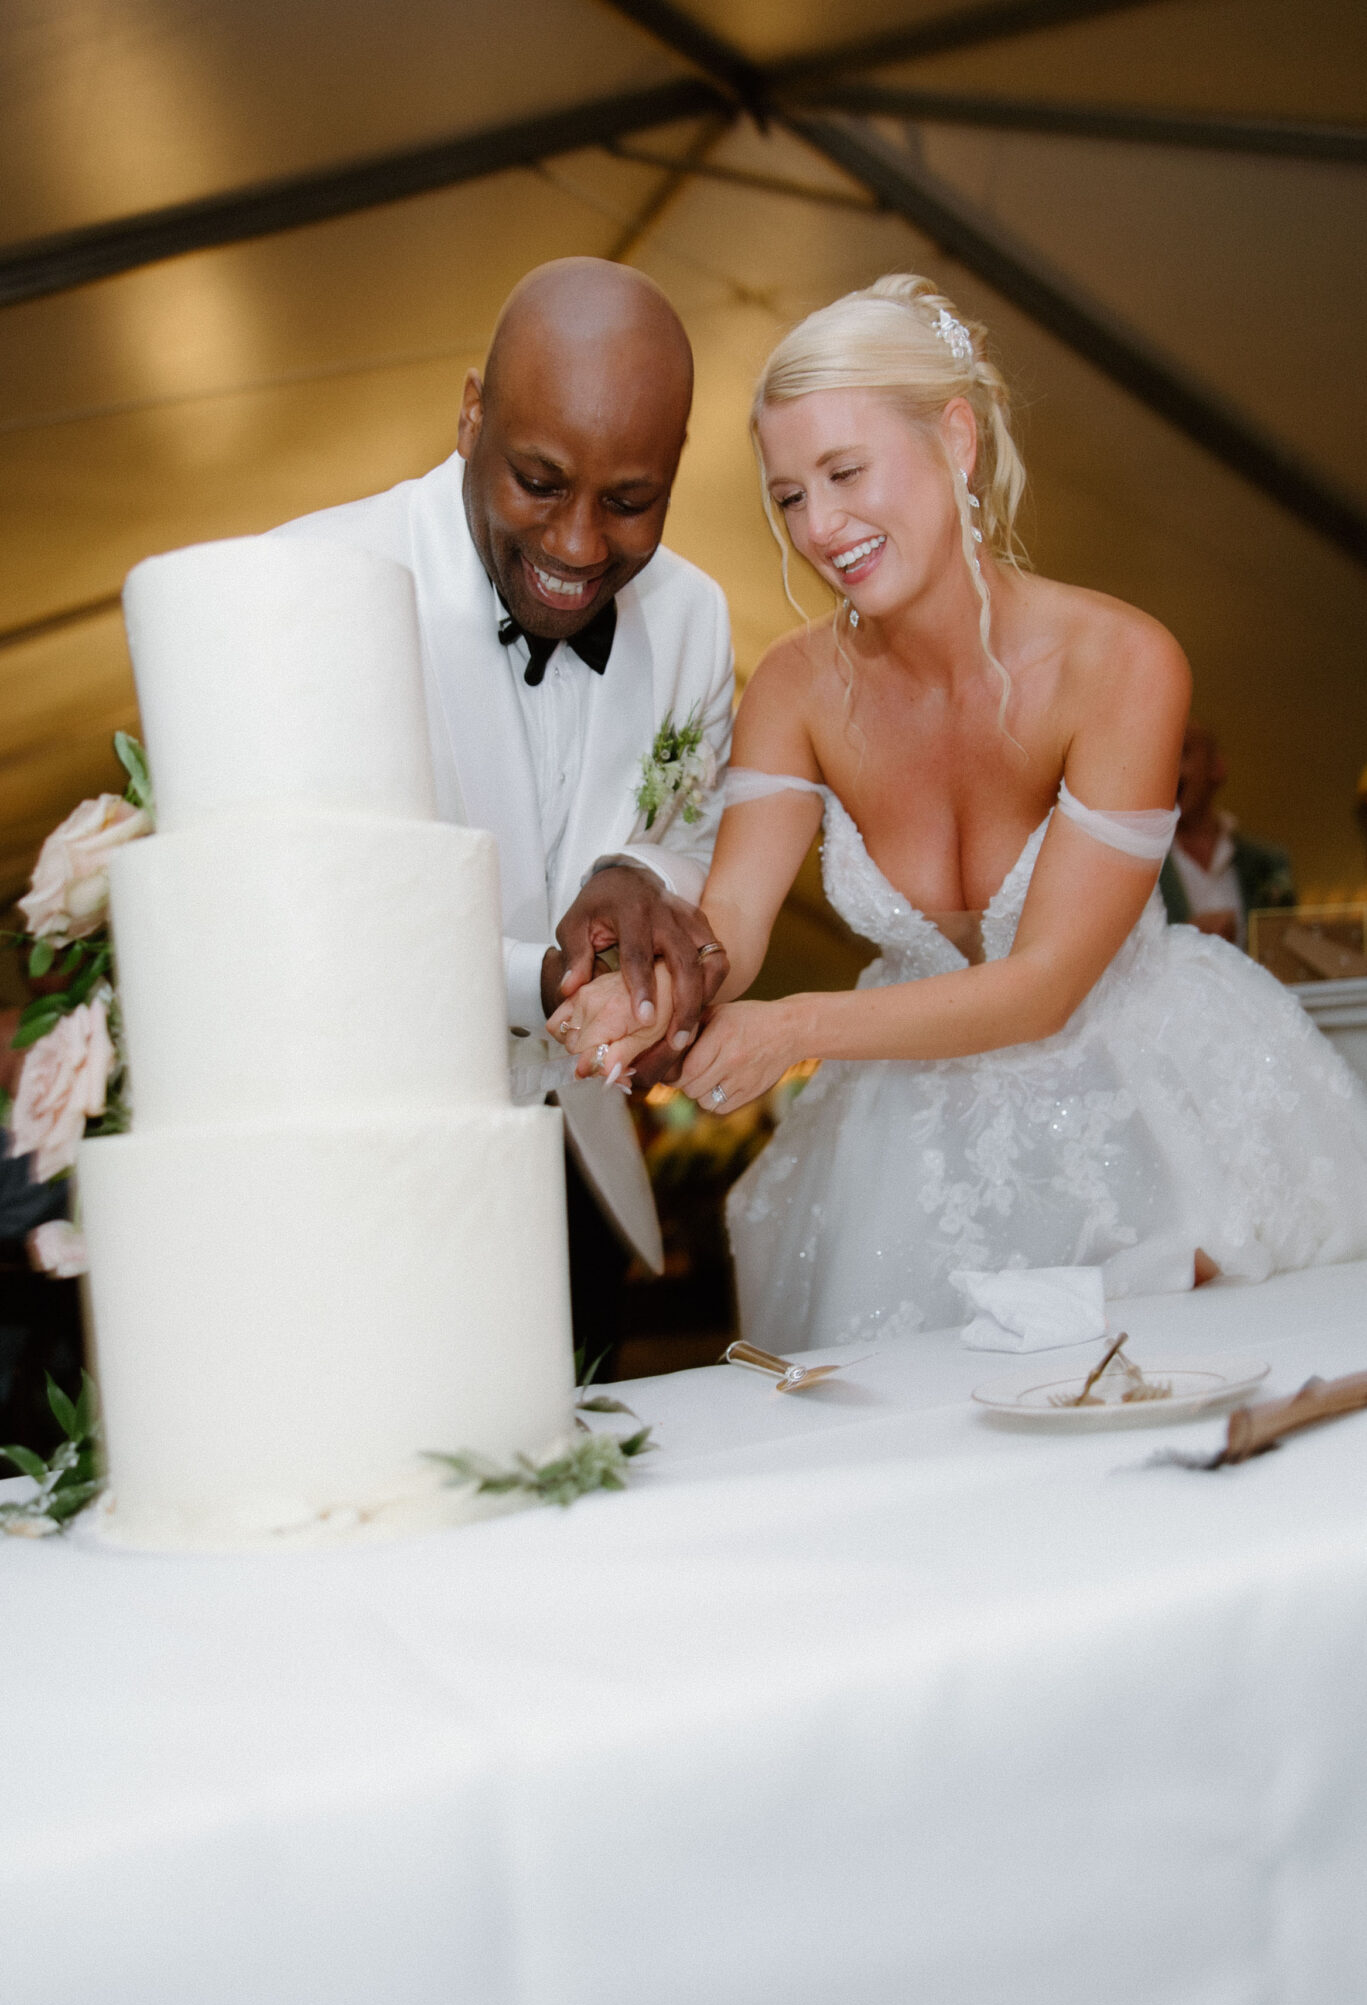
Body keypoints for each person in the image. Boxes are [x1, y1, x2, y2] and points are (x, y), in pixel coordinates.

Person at [552, 274, 1367, 1352]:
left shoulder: (1119, 663)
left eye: (845, 472)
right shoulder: (793, 687)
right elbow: (734, 925)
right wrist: (645, 997)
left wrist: (795, 1030)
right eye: (789, 494)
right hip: (911, 1157)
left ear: (955, 439)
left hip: (1151, 1122)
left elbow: (1038, 987)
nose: (820, 525)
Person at [279, 260, 734, 1363]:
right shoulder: (315, 584)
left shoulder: (693, 617)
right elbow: (314, 906)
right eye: (538, 482)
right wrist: (549, 978)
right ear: (471, 411)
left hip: (574, 1175)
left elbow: (688, 838)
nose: (579, 547)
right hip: (363, 1182)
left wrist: (637, 878)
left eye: (629, 502)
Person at [1159, 720, 1295, 946]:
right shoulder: (1143, 867)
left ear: (1217, 767)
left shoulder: (1269, 862)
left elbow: (1289, 952)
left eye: (1182, 752)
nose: (1170, 769)